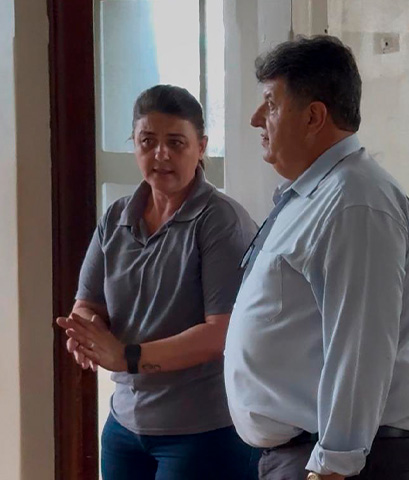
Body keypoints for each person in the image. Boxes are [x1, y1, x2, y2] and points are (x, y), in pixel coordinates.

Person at [224, 36, 409, 480]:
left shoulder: (355, 202)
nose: (256, 118)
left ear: (314, 116)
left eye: (271, 104)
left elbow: (361, 348)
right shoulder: (316, 194)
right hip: (306, 453)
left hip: (341, 461)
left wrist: (333, 466)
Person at [56, 85, 260, 480]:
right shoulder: (117, 217)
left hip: (203, 431)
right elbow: (88, 304)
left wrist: (127, 356)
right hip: (125, 425)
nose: (160, 154)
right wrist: (88, 335)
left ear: (201, 147)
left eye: (176, 142)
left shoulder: (220, 220)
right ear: (134, 145)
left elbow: (222, 332)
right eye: (147, 141)